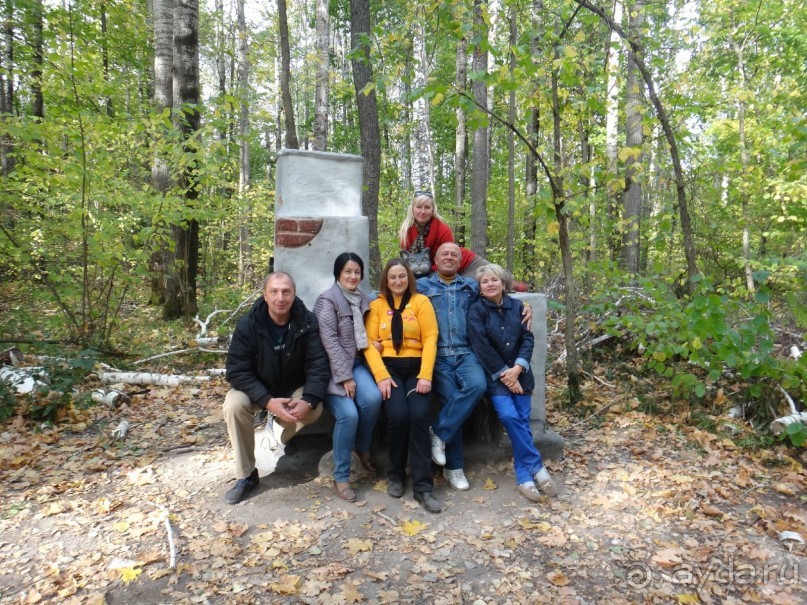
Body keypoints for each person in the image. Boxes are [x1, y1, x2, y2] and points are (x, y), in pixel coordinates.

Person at [417, 243, 533, 493]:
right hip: (437, 355)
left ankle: (439, 432)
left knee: (478, 385)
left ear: (460, 262)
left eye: (454, 255)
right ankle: (454, 467)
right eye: (444, 254)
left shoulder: (470, 286)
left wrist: (525, 306)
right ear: (436, 259)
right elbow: (391, 296)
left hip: (466, 352)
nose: (449, 257)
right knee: (451, 400)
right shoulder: (422, 286)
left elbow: (498, 298)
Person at [223, 272, 330, 505]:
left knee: (314, 408)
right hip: (257, 388)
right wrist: (267, 401)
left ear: (294, 294)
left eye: (286, 292)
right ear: (265, 295)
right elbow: (236, 370)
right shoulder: (248, 324)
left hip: (292, 388)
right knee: (233, 405)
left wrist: (308, 399)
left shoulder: (307, 321)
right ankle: (246, 475)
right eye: (274, 292)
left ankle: (280, 430)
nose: (280, 298)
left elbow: (318, 365)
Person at [467, 263, 558, 501]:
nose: (490, 284)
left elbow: (527, 339)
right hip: (496, 377)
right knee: (509, 417)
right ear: (479, 287)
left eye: (494, 280)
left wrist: (517, 369)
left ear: (503, 283)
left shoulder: (518, 307)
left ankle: (524, 478)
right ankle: (537, 466)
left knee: (522, 423)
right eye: (485, 281)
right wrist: (506, 375)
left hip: (522, 375)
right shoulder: (476, 311)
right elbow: (482, 347)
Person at [364, 259, 441, 513]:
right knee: (398, 416)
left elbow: (430, 338)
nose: (397, 281)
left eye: (402, 276)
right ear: (386, 281)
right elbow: (369, 344)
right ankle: (396, 474)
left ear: (409, 278)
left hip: (417, 368)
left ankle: (423, 486)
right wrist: (381, 376)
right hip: (390, 369)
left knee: (419, 416)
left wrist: (425, 375)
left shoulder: (421, 302)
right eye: (392, 277)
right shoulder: (376, 306)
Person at [313, 253, 383, 502]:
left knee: (373, 399)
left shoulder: (364, 299)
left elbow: (366, 333)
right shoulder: (327, 300)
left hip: (357, 364)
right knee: (348, 414)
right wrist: (344, 377)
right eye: (347, 271)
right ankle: (341, 477)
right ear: (338, 274)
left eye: (356, 272)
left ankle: (362, 447)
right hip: (331, 371)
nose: (353, 276)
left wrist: (374, 343)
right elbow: (329, 341)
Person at [398, 191, 487, 278]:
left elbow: (450, 258)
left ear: (433, 210)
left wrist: (426, 270)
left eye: (427, 207)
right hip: (438, 271)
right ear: (412, 208)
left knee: (488, 282)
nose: (423, 211)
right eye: (419, 207)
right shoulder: (406, 231)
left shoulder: (442, 229)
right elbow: (407, 262)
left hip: (468, 265)